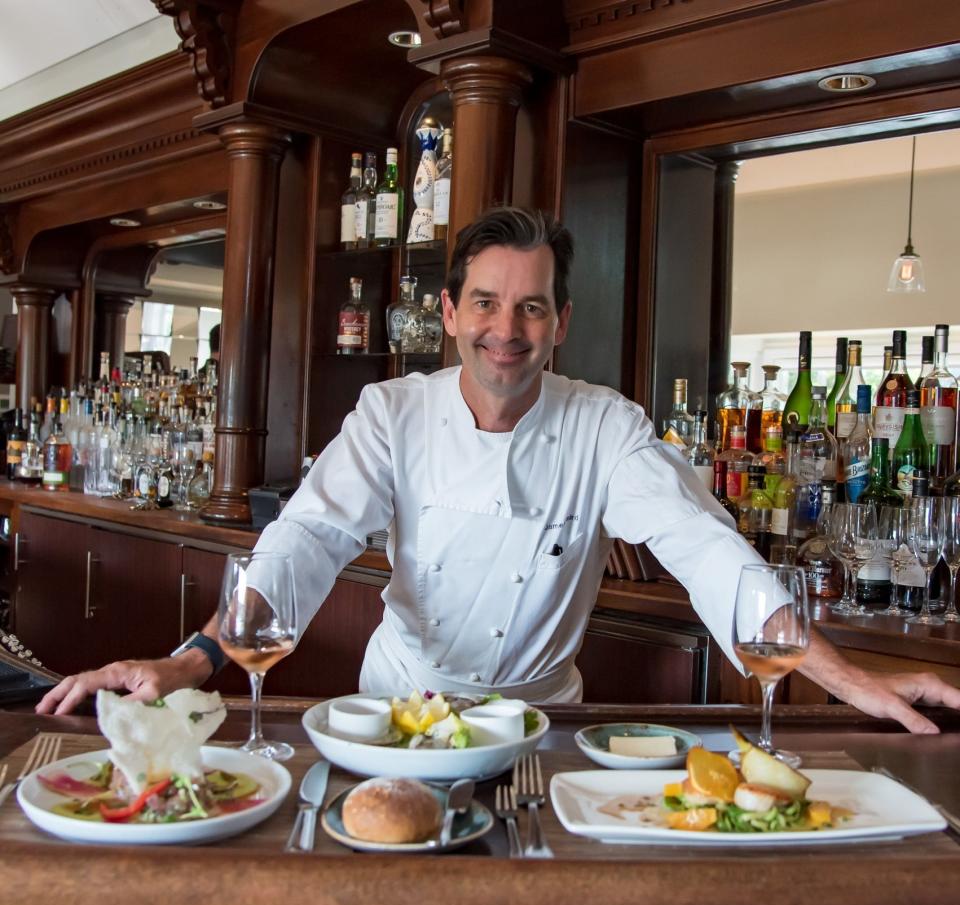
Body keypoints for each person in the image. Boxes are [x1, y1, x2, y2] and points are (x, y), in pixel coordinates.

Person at [38, 208, 960, 731]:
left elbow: (718, 558)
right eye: (485, 302)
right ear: (449, 310)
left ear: (560, 322)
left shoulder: (606, 428)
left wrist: (860, 686)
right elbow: (305, 542)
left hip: (536, 728)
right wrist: (189, 661)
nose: (505, 331)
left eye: (530, 309)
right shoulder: (391, 413)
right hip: (394, 711)